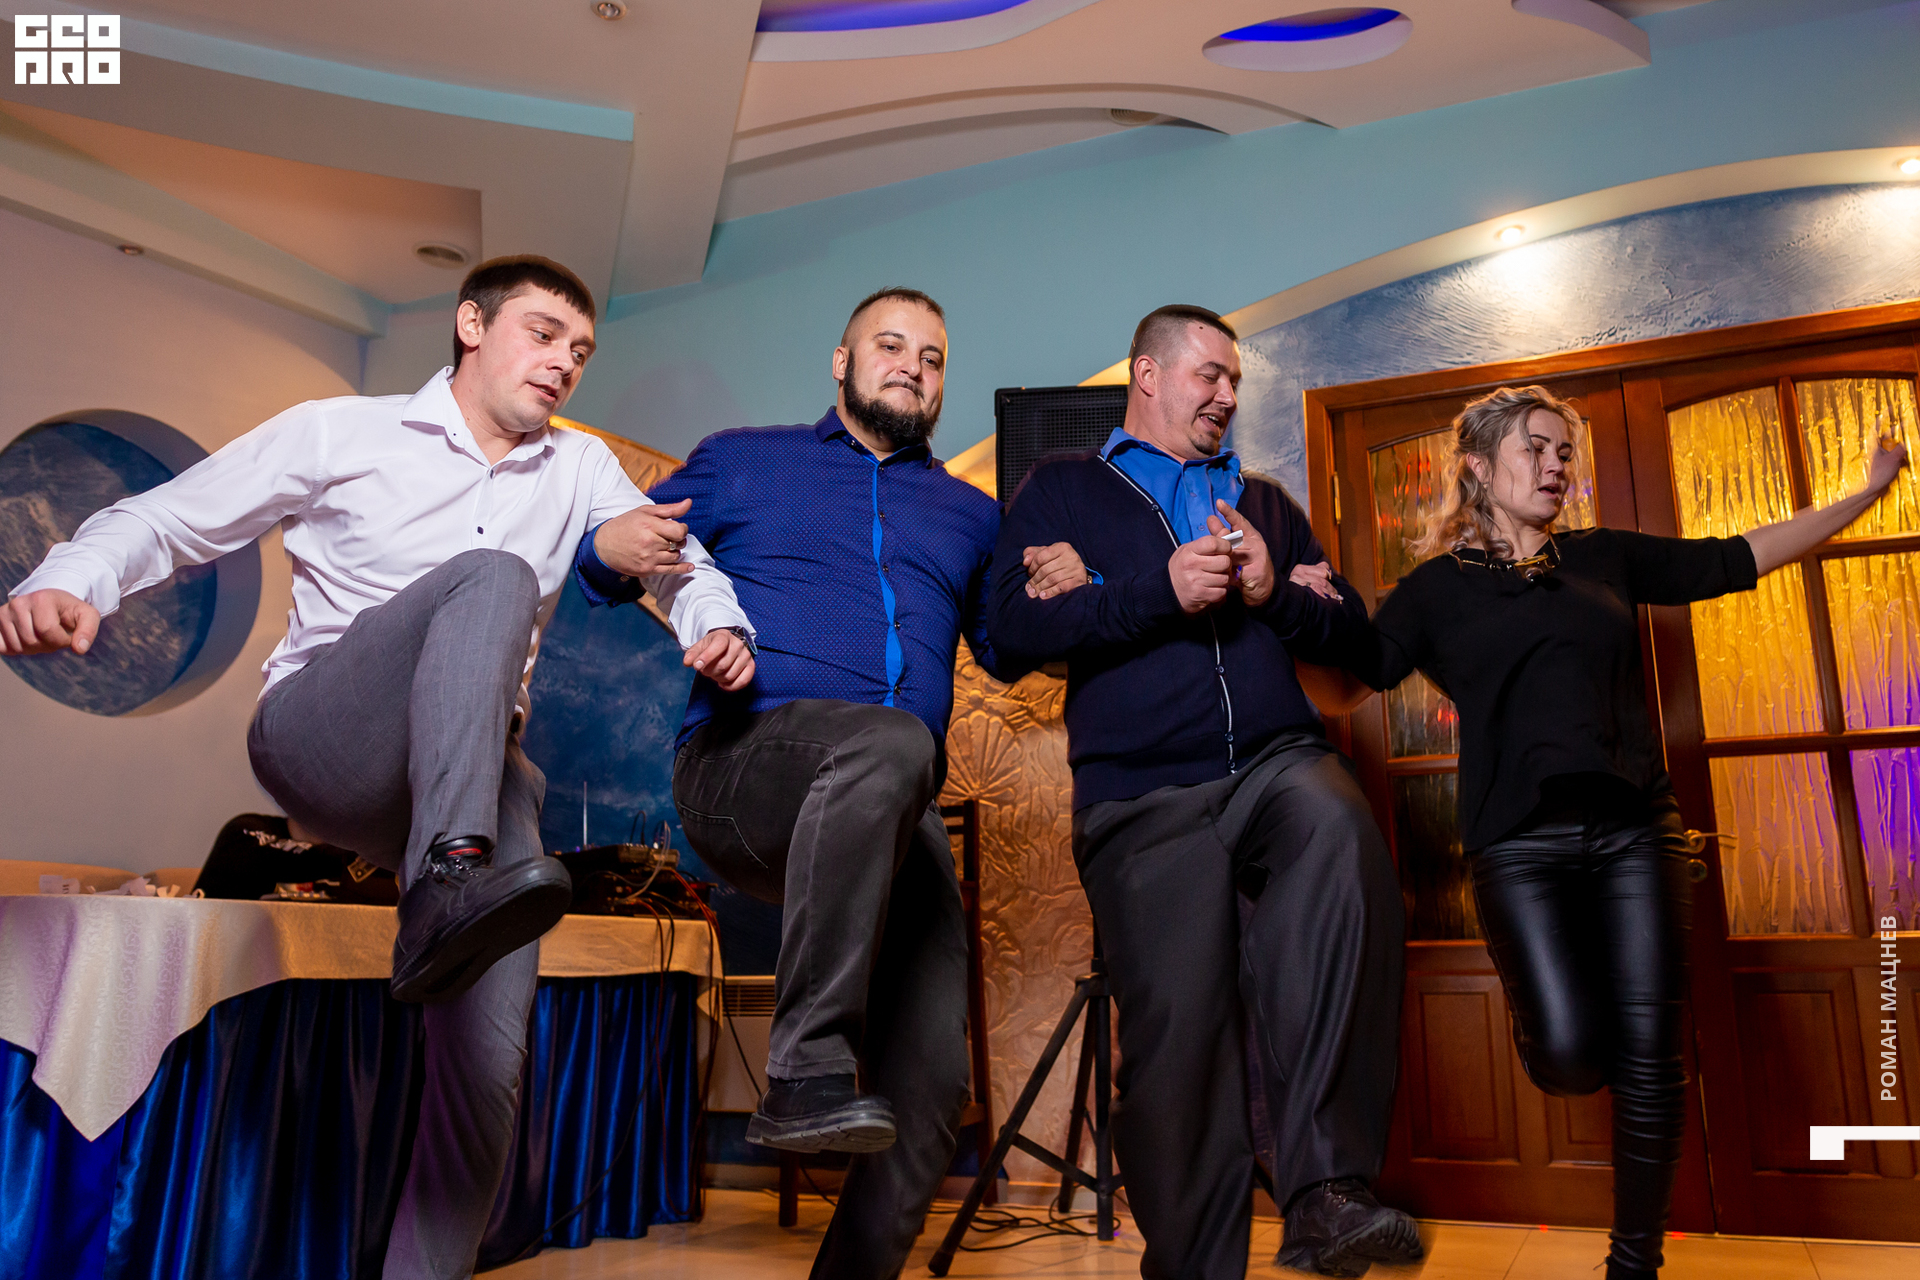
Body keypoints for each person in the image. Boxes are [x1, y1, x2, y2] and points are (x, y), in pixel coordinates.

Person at [0, 255, 755, 1280]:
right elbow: (170, 517)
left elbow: (678, 558)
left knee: (488, 1071)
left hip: (478, 776)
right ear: (471, 324)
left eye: (580, 351)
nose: (564, 362)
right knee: (492, 575)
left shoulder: (580, 467)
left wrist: (714, 622)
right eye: (542, 334)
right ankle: (451, 878)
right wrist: (73, 579)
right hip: (327, 738)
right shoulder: (341, 430)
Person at [1294, 384, 1909, 1280]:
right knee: (1574, 1057)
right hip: (1518, 848)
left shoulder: (1604, 558)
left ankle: (1633, 1265)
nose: (1556, 466)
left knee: (1653, 1057)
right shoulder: (1433, 593)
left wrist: (1864, 495)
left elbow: (1739, 557)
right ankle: (1560, 1039)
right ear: (1479, 466)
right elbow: (1344, 689)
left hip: (1637, 833)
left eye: (1564, 452)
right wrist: (1299, 617)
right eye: (1536, 448)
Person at [573, 286, 1083, 1280]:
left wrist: (1065, 595)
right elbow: (615, 564)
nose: (913, 368)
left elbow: (1012, 651)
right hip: (740, 772)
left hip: (893, 804)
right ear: (841, 362)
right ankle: (805, 1067)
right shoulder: (742, 459)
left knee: (931, 1088)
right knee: (891, 742)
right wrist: (605, 546)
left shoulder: (971, 515)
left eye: (932, 358)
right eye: (890, 346)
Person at [987, 304, 1422, 1280]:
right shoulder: (1062, 489)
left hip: (1273, 762)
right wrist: (1154, 590)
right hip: (1142, 795)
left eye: (1235, 380)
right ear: (1146, 373)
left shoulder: (1263, 502)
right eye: (1208, 374)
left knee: (1337, 826)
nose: (1227, 394)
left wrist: (1279, 594)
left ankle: (1327, 1191)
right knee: (1180, 1044)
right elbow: (1007, 633)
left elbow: (1360, 650)